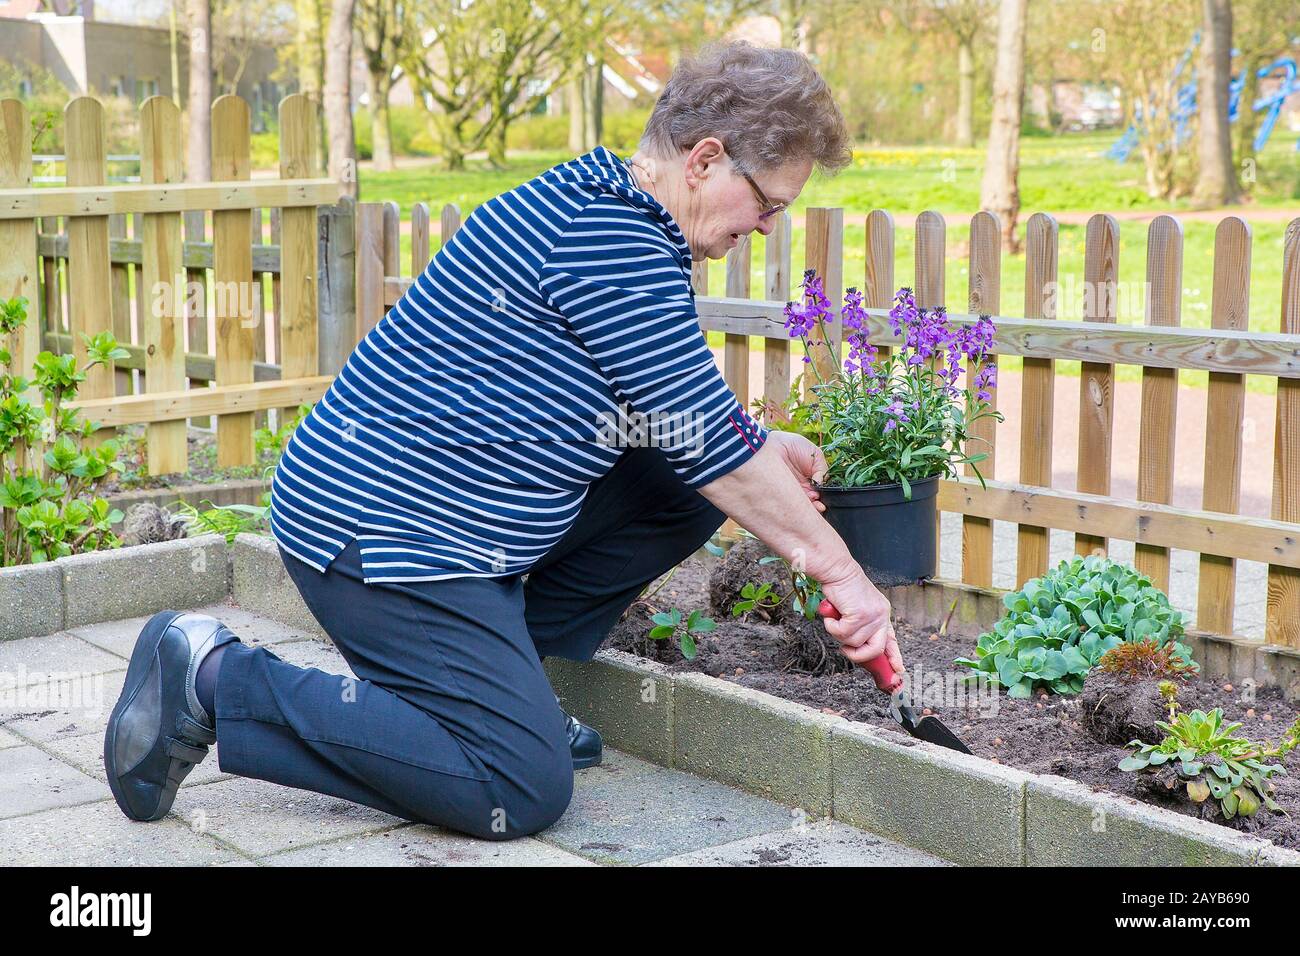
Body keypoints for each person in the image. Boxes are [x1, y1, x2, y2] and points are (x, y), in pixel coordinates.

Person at [103, 39, 904, 840]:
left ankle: (490, 684)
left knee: (680, 489)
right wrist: (846, 577)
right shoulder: (614, 242)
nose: (766, 229)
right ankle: (209, 676)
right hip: (375, 530)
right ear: (703, 161)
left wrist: (758, 449)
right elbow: (704, 441)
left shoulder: (605, 201)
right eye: (768, 204)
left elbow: (680, 420)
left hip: (440, 509)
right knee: (516, 785)